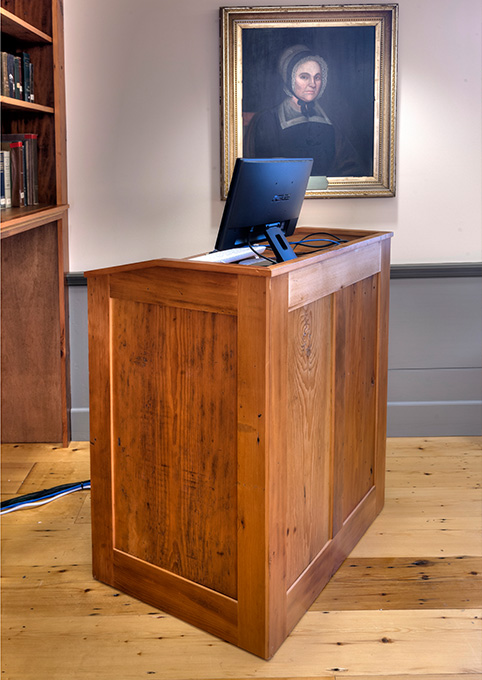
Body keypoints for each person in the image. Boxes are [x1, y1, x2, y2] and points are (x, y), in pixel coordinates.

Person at [244, 44, 365, 177]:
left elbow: (350, 166)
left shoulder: (330, 120)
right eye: (304, 77)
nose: (312, 84)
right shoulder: (269, 120)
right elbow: (264, 172)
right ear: (289, 79)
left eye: (317, 77)